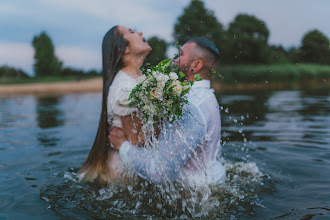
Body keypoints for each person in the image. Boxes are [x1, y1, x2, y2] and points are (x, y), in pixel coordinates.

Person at [109, 38, 226, 187]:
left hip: (193, 192)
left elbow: (160, 173)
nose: (174, 59)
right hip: (212, 180)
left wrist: (123, 146)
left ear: (195, 66)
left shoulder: (189, 105)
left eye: (180, 55)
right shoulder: (207, 97)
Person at [78, 25, 151, 184]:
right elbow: (136, 140)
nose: (140, 32)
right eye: (132, 32)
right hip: (124, 169)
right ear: (124, 49)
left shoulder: (140, 80)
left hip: (136, 161)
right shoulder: (125, 88)